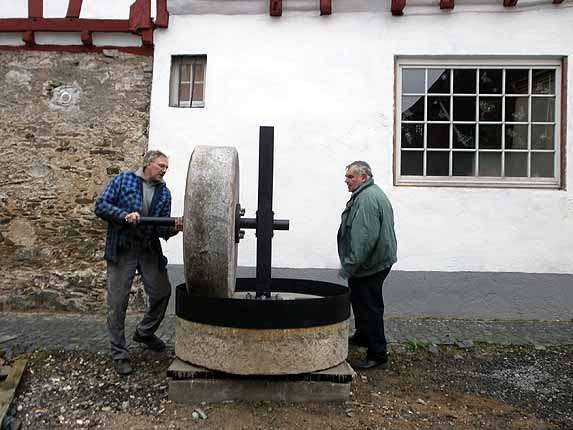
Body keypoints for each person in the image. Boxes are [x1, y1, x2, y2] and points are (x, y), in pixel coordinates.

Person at [95, 150, 183, 376]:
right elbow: (101, 205)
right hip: (123, 248)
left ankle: (144, 332)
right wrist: (124, 215)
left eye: (166, 167)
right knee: (117, 302)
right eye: (161, 165)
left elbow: (161, 229)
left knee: (162, 292)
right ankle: (120, 354)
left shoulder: (164, 193)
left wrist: (175, 227)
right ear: (148, 164)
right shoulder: (123, 180)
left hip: (148, 249)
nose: (165, 170)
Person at [337, 161, 397, 370]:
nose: (346, 180)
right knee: (360, 299)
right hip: (374, 260)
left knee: (369, 306)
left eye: (351, 176)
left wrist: (350, 265)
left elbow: (364, 238)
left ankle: (377, 354)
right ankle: (363, 335)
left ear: (364, 177)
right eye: (347, 176)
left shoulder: (367, 200)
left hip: (370, 264)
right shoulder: (367, 194)